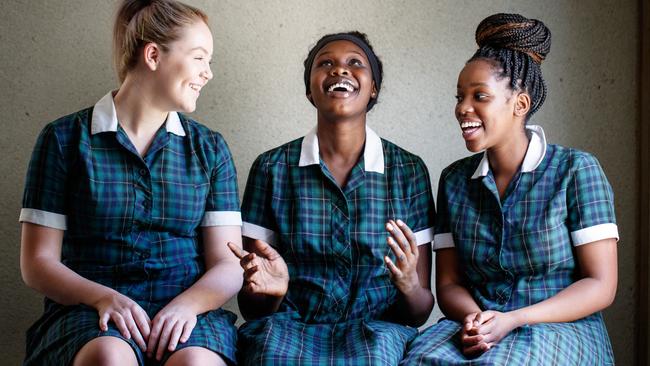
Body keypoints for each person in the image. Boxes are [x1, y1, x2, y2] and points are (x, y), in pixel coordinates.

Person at [19, 1, 243, 365]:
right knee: (109, 356)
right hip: (88, 311)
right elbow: (37, 262)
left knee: (195, 363)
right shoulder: (62, 139)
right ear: (153, 55)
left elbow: (228, 263)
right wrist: (104, 298)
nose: (208, 74)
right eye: (200, 58)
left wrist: (186, 306)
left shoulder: (210, 149)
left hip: (188, 311)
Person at [401, 13, 618, 365]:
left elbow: (601, 285)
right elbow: (450, 283)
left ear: (520, 104)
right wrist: (476, 320)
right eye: (459, 96)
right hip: (480, 325)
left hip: (560, 327)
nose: (462, 108)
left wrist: (514, 319)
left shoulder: (576, 170)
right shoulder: (455, 180)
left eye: (479, 96)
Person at [227, 31, 436, 365]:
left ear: (374, 88)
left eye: (355, 62)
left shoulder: (408, 171)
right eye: (325, 63)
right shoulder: (271, 168)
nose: (340, 70)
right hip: (288, 328)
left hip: (377, 331)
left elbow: (419, 313)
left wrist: (410, 284)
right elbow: (252, 310)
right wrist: (272, 291)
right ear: (310, 90)